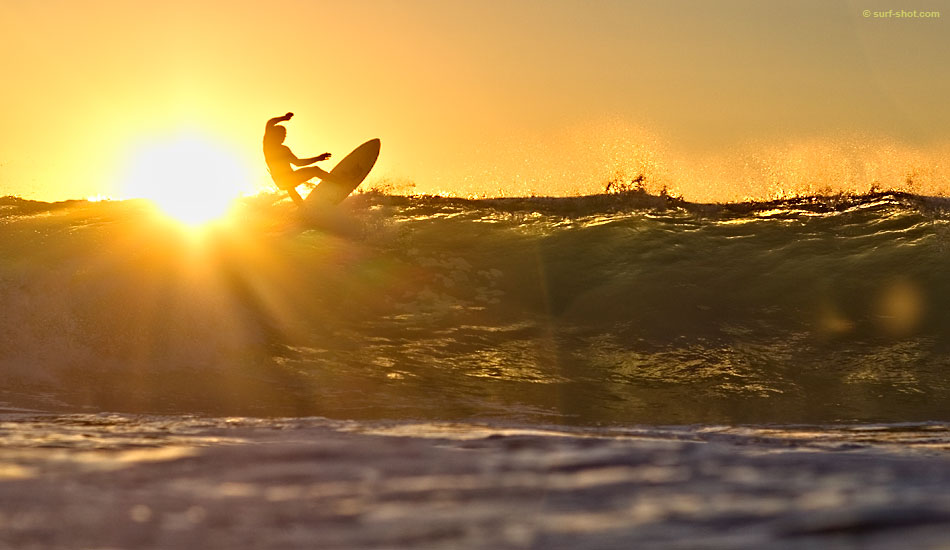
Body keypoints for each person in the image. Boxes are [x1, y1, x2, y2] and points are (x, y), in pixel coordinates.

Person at [263, 112, 332, 205]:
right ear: (274, 135)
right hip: (286, 178)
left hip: (282, 181)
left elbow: (298, 162)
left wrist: (318, 158)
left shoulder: (282, 149)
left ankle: (302, 208)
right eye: (282, 135)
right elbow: (270, 123)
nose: (284, 137)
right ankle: (340, 181)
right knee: (315, 170)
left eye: (284, 135)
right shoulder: (269, 146)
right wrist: (284, 117)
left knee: (290, 188)